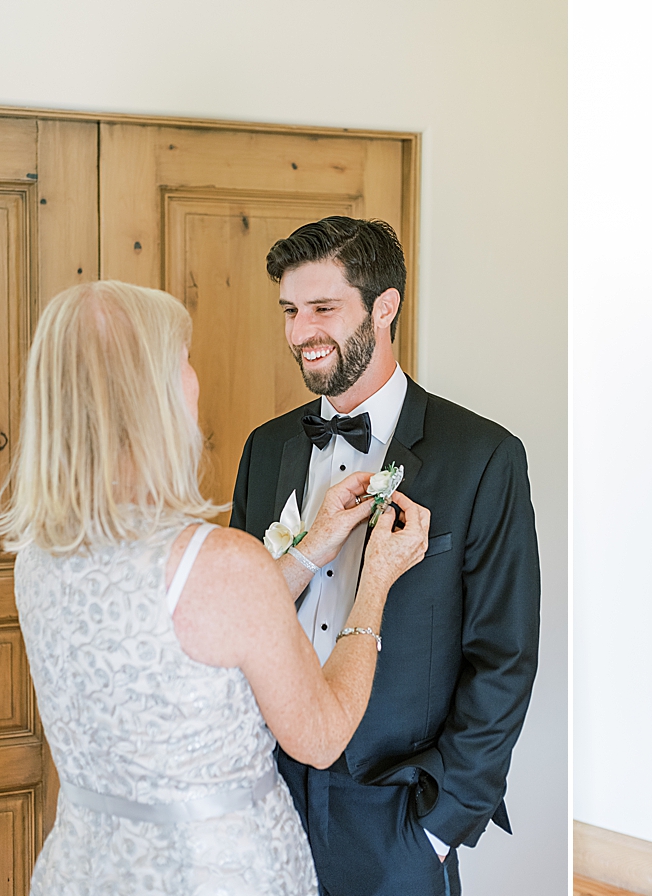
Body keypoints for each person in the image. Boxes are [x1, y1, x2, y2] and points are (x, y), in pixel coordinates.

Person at [0, 280, 431, 895]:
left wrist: (310, 547)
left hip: (85, 871)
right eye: (182, 361)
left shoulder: (35, 555)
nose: (194, 378)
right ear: (151, 396)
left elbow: (202, 627)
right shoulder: (221, 563)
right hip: (216, 873)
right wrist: (374, 580)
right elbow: (322, 738)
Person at [229, 216, 541, 896]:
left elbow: (504, 656)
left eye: (323, 308)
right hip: (265, 801)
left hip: (397, 811)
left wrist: (438, 827)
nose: (300, 331)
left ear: (385, 306)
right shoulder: (265, 449)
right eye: (290, 310)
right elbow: (239, 621)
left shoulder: (483, 456)